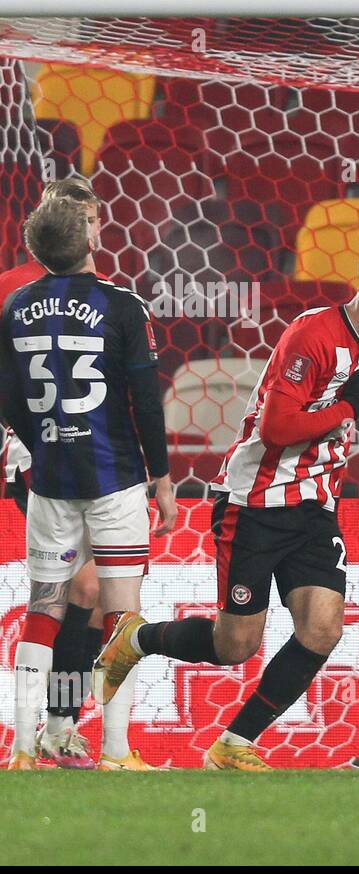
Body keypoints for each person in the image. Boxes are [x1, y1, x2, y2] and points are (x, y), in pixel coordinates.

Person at [95, 243, 359, 771]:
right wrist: (346, 406)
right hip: (254, 502)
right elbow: (275, 430)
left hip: (314, 506)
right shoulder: (313, 336)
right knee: (235, 645)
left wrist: (341, 419)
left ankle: (234, 743)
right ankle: (135, 637)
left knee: (323, 629)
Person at [0, 195, 175, 772]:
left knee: (44, 609)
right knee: (123, 614)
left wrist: (43, 438)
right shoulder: (122, 306)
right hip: (114, 476)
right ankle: (117, 751)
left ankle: (26, 747)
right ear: (90, 239)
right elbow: (146, 399)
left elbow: (6, 397)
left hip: (49, 479)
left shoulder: (16, 304)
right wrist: (163, 475)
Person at [0, 177, 110, 770]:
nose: (95, 231)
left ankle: (58, 728)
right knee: (70, 593)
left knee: (87, 595)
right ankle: (44, 733)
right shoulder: (12, 293)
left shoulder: (103, 294)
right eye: (88, 220)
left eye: (95, 220)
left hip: (98, 468)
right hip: (39, 463)